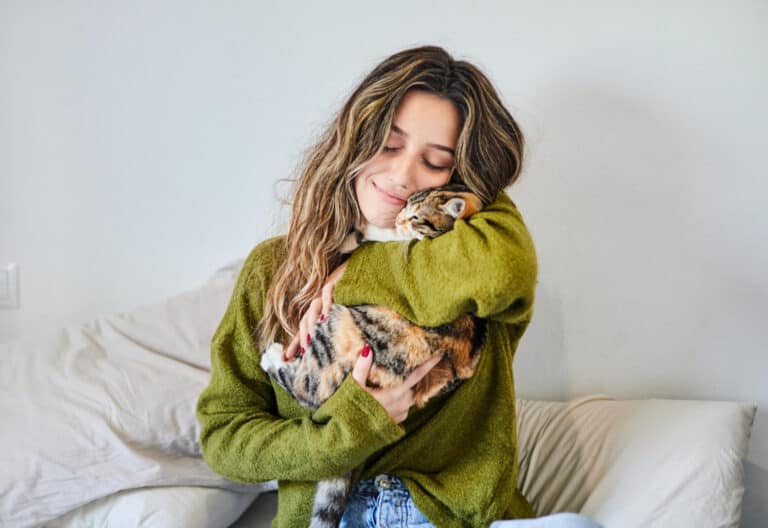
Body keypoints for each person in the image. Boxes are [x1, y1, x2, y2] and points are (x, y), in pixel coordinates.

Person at [196, 45, 603, 528]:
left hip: (451, 514)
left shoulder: (472, 246)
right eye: (389, 144)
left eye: (435, 161)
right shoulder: (274, 268)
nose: (403, 174)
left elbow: (504, 274)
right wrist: (351, 428)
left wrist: (354, 273)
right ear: (354, 139)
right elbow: (226, 436)